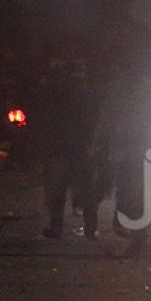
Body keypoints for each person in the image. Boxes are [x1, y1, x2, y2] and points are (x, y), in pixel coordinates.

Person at [39, 45, 98, 240]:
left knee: (60, 191)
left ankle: (58, 228)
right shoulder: (87, 96)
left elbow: (51, 121)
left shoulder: (62, 94)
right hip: (78, 149)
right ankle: (89, 229)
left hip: (66, 149)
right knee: (84, 192)